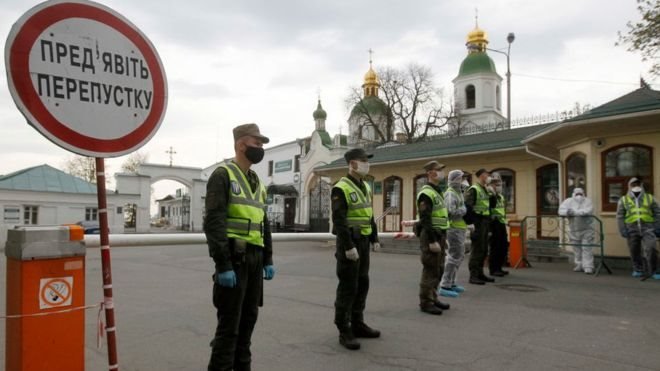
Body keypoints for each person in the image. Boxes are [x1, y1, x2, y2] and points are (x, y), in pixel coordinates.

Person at [204, 123, 275, 371]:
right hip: (234, 260)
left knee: (248, 324)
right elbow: (214, 222)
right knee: (229, 328)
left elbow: (263, 223)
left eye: (262, 145)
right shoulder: (222, 175)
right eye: (257, 144)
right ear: (241, 144)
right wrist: (222, 264)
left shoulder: (257, 182)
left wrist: (268, 258)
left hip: (254, 260)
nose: (260, 149)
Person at [331, 148, 381, 350]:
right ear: (352, 164)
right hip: (350, 243)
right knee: (348, 287)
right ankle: (344, 329)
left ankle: (358, 323)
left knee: (362, 283)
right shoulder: (340, 188)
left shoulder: (365, 187)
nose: (366, 164)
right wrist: (348, 246)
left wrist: (375, 237)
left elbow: (369, 214)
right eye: (363, 160)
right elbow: (339, 221)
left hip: (364, 242)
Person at [415, 161, 452, 314]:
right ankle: (425, 302)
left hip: (440, 234)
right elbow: (425, 219)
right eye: (439, 170)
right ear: (430, 173)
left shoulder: (437, 191)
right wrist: (431, 241)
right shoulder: (426, 193)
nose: (442, 173)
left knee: (439, 268)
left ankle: (433, 297)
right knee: (430, 269)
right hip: (431, 235)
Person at [616, 177, 660, 280]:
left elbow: (658, 213)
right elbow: (620, 216)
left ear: (641, 185)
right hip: (631, 228)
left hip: (648, 228)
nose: (636, 186)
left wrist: (658, 227)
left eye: (637, 184)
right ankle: (638, 269)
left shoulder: (650, 198)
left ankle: (654, 270)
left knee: (651, 248)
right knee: (634, 250)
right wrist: (622, 229)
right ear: (629, 186)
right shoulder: (624, 200)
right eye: (633, 184)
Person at [438, 169, 468, 298]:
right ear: (455, 179)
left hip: (460, 227)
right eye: (461, 178)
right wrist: (463, 210)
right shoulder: (450, 194)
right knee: (453, 257)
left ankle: (452, 282)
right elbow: (450, 211)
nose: (463, 181)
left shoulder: (458, 192)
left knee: (459, 256)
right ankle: (445, 285)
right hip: (453, 228)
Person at [464, 168, 496, 285]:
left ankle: (480, 273)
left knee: (483, 249)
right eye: (486, 174)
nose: (488, 176)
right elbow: (468, 206)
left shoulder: (486, 189)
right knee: (477, 249)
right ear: (481, 176)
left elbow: (492, 205)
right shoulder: (474, 189)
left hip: (485, 221)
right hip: (477, 221)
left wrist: (493, 194)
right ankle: (473, 275)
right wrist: (471, 223)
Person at [558, 187, 596, 274]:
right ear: (573, 194)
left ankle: (588, 266)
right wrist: (568, 212)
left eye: (580, 194)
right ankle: (579, 264)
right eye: (577, 194)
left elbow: (588, 211)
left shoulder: (588, 201)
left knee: (587, 248)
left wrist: (575, 212)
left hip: (587, 229)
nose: (579, 196)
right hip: (574, 229)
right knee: (576, 249)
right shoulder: (568, 201)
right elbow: (561, 211)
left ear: (584, 194)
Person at [487, 172, 510, 277]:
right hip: (494, 223)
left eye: (499, 183)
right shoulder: (490, 195)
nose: (497, 186)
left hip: (501, 223)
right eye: (495, 184)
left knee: (503, 246)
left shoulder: (500, 196)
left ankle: (499, 267)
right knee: (495, 247)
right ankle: (493, 269)